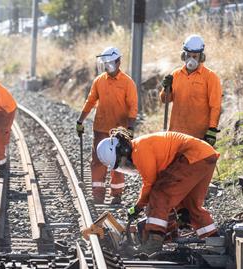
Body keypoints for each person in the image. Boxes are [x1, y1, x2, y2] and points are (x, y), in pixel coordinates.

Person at [96, 127, 220, 255]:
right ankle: (214, 241)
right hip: (206, 156)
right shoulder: (140, 146)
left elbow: (150, 184)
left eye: (121, 161)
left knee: (159, 193)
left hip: (192, 155)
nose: (125, 165)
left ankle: (154, 240)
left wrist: (138, 207)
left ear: (123, 150)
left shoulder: (139, 150)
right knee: (190, 205)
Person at [76, 47, 138, 204]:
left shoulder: (127, 82)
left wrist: (130, 129)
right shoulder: (99, 81)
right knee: (97, 161)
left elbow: (133, 106)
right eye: (105, 63)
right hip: (101, 128)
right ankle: (98, 195)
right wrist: (80, 120)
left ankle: (116, 195)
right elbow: (90, 101)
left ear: (118, 62)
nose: (107, 65)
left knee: (118, 162)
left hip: (120, 131)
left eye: (110, 62)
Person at [159, 34, 222, 146]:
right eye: (188, 56)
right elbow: (165, 100)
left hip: (199, 136)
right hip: (176, 134)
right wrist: (166, 89)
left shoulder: (211, 77)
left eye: (195, 56)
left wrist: (212, 129)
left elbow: (215, 106)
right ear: (183, 56)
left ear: (201, 57)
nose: (191, 60)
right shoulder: (175, 75)